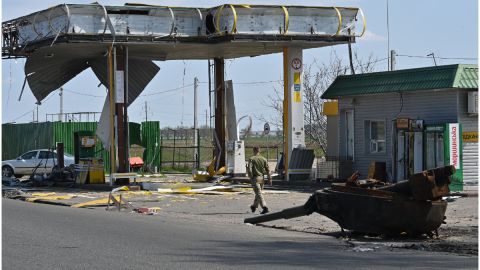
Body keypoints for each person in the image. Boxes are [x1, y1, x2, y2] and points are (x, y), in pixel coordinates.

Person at [246, 146, 271, 214]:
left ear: (253, 151)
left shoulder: (251, 159)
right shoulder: (264, 159)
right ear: (259, 151)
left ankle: (264, 207)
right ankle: (254, 206)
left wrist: (251, 177)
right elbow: (268, 170)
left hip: (255, 178)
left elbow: (250, 170)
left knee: (258, 193)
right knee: (258, 193)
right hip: (262, 178)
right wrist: (269, 178)